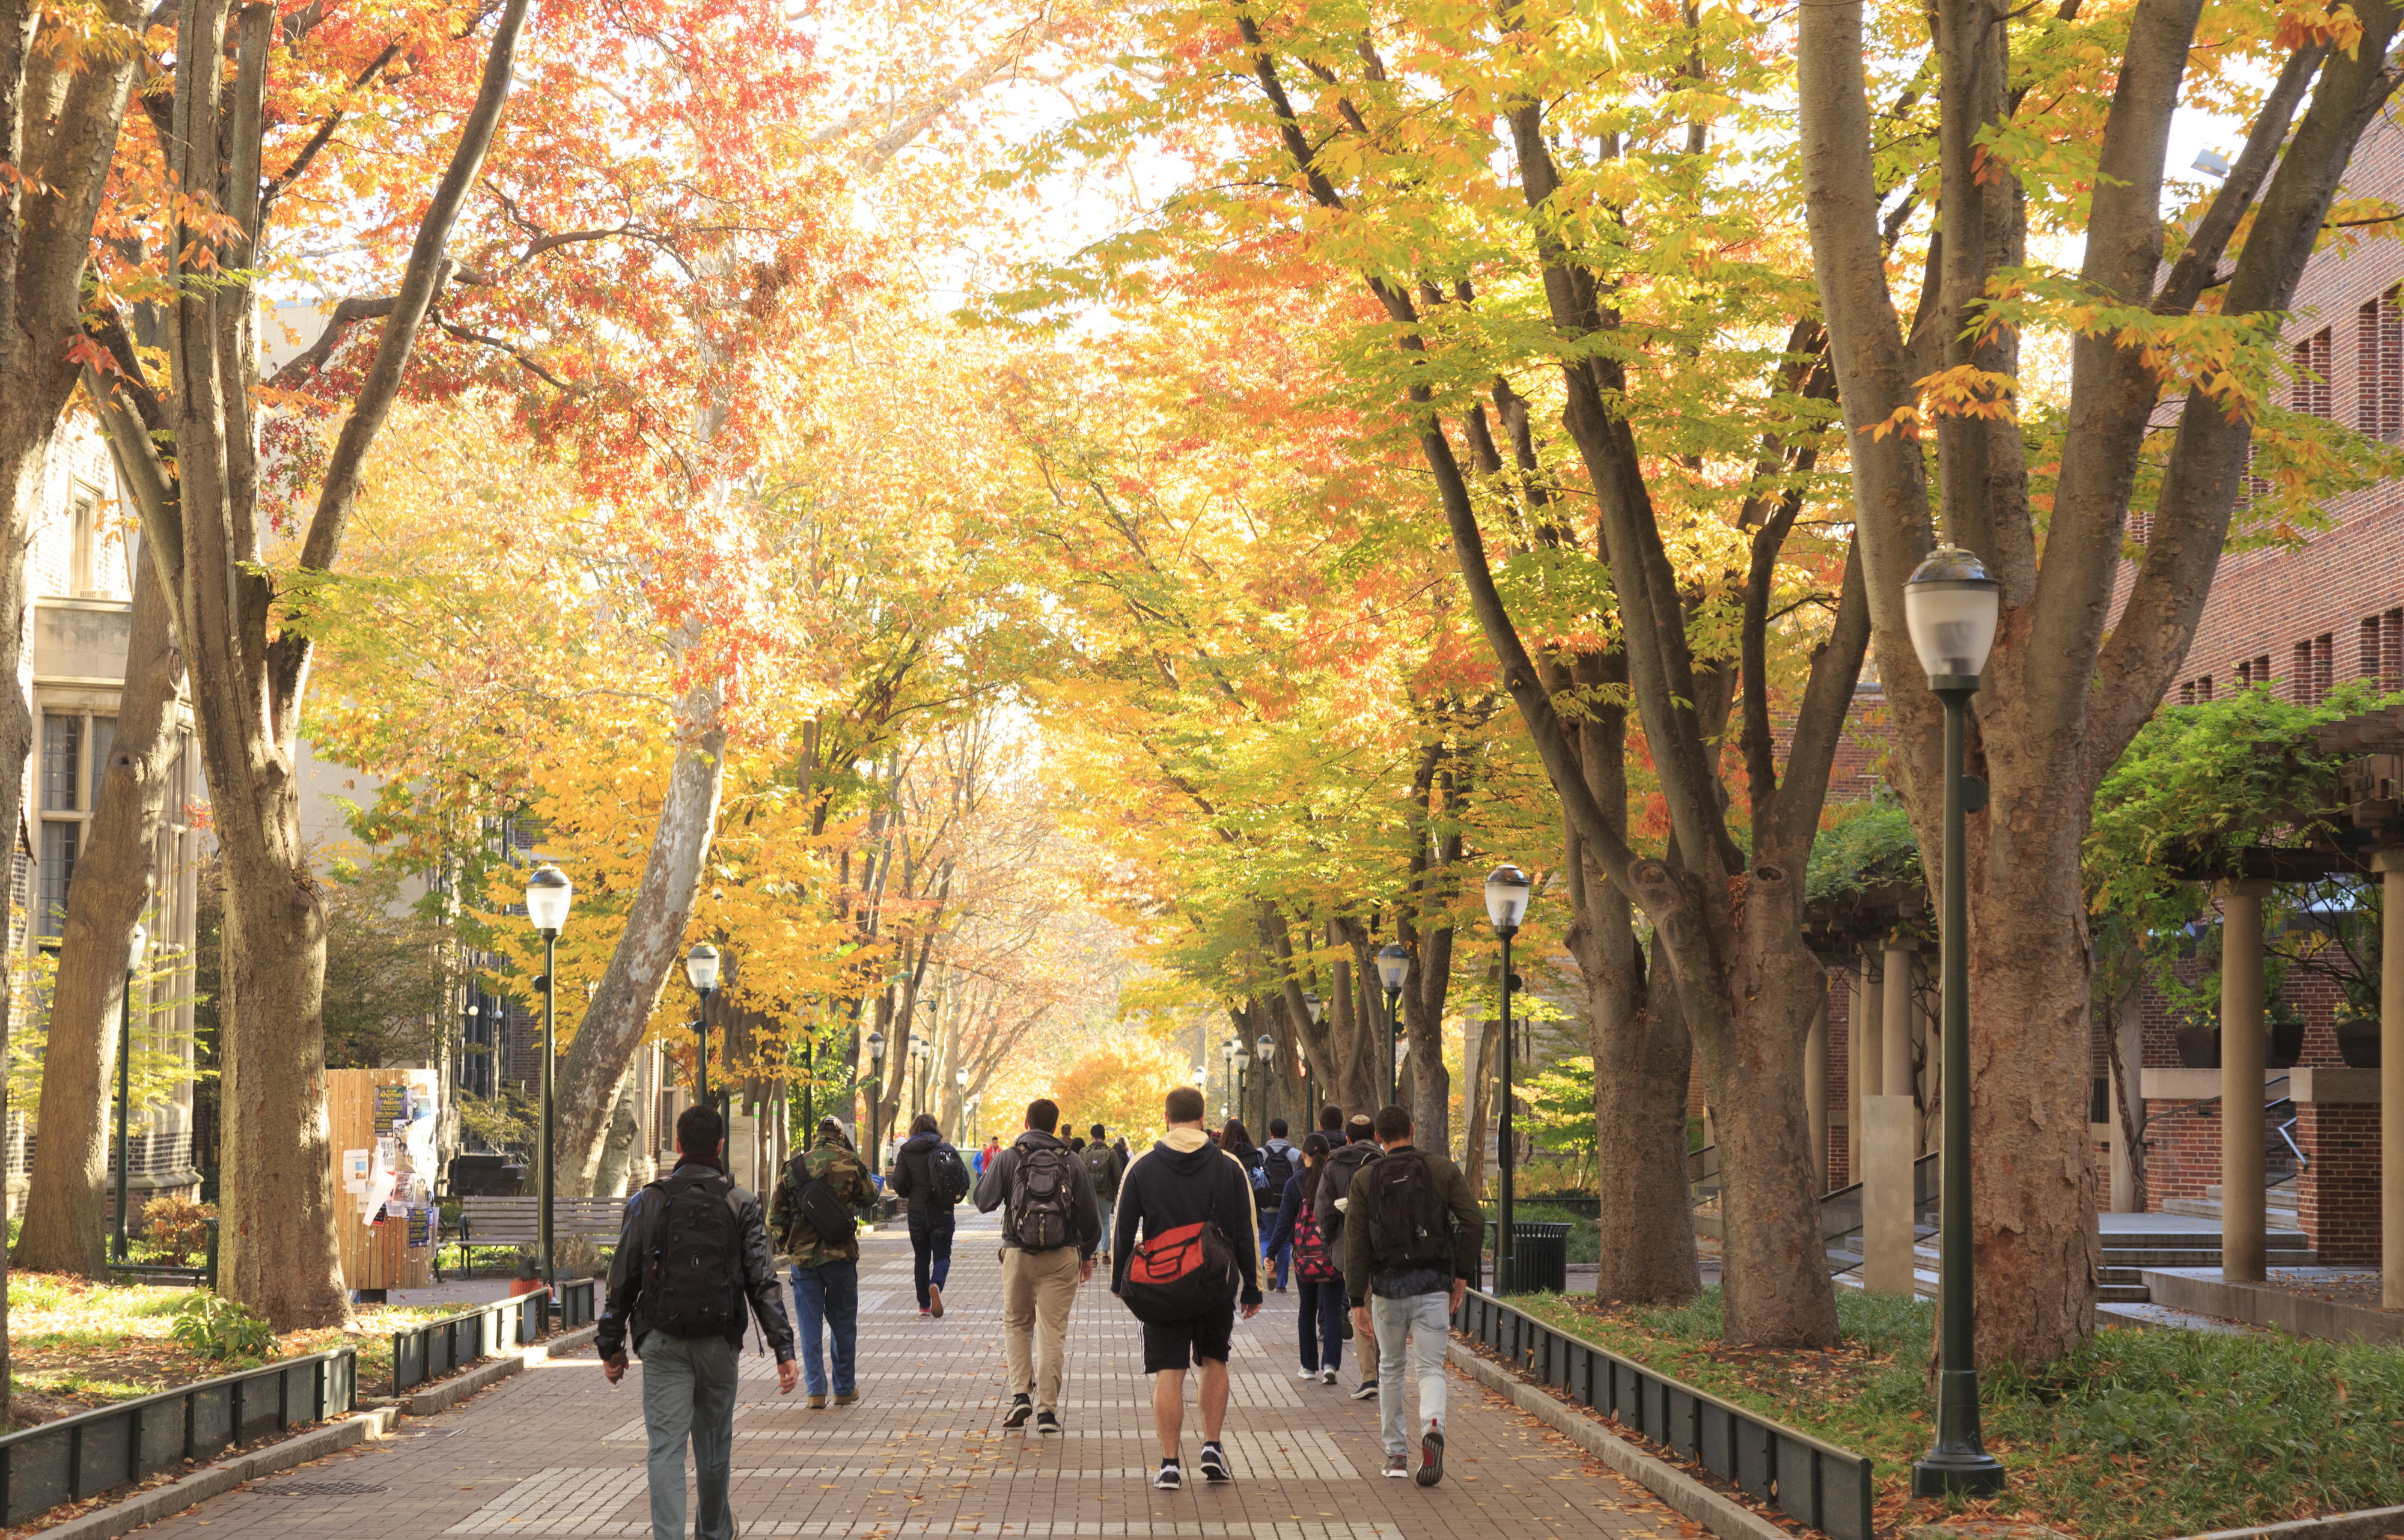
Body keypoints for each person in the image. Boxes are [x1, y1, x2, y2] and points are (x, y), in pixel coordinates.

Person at [598, 1104, 799, 1540]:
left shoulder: (648, 1200)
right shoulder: (741, 1202)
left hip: (663, 1340)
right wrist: (783, 1348)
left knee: (666, 1448)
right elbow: (762, 1280)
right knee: (713, 1449)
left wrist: (610, 1345)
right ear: (721, 1147)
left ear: (678, 1144)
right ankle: (713, 1533)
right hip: (719, 1342)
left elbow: (622, 1277)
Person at [1113, 1085, 1263, 1490]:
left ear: (1167, 1118)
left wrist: (1119, 1284)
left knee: (1170, 1370)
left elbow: (1123, 1230)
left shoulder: (1142, 1166)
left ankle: (1168, 1463)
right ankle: (1212, 1446)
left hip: (1163, 1285)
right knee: (1215, 1360)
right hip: (1214, 1282)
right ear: (1202, 1119)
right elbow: (1246, 1230)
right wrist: (1252, 1286)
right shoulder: (1228, 1166)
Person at [1343, 1105, 1480, 1487]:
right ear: (1414, 1129)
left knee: (1390, 1368)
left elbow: (1356, 1242)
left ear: (1380, 1139)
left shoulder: (1365, 1178)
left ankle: (1397, 1455)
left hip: (1388, 1288)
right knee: (1431, 1368)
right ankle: (1433, 1425)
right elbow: (1474, 1221)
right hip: (1434, 1285)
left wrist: (1358, 1299)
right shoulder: (1440, 1169)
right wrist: (1461, 1276)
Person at [974, 1097, 1103, 1434]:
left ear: (1026, 1121)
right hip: (1062, 1259)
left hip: (1017, 1254)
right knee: (1052, 1333)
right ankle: (1047, 1412)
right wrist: (1086, 1255)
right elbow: (1091, 1219)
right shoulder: (1071, 1160)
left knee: (1017, 1324)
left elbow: (983, 1201)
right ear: (1055, 1125)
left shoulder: (1009, 1157)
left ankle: (1020, 1396)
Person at [770, 1115, 877, 1408]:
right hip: (842, 1257)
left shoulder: (794, 1166)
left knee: (808, 1324)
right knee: (843, 1323)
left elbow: (774, 1218)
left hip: (804, 1262)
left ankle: (816, 1391)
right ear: (841, 1136)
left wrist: (788, 1246)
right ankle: (844, 1389)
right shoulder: (851, 1162)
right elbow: (871, 1197)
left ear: (816, 1135)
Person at [1263, 1132, 1344, 1383]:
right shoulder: (1337, 1180)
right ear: (1329, 1154)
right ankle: (1330, 1364)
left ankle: (1309, 1367)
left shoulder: (1294, 1183)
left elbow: (1284, 1223)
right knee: (1333, 1309)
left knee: (1307, 1310)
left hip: (1305, 1258)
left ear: (1304, 1155)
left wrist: (1272, 1253)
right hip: (1333, 1255)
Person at [1315, 1112, 1382, 1399]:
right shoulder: (1385, 1160)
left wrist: (1331, 1242)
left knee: (1361, 1307)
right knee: (1384, 1309)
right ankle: (1384, 1371)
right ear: (1376, 1136)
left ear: (1349, 1137)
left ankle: (1370, 1377)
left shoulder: (1335, 1165)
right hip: (1385, 1248)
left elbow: (1324, 1210)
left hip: (1349, 1248)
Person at [892, 1112, 960, 1318]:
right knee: (942, 1256)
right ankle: (936, 1284)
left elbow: (897, 1183)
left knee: (921, 1257)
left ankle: (924, 1305)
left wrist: (910, 1195)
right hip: (942, 1210)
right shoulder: (945, 1149)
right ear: (936, 1129)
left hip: (916, 1212)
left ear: (915, 1129)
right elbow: (960, 1178)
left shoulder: (906, 1151)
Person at [1256, 1118, 1297, 1291]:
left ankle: (1269, 1262)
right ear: (1287, 1134)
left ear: (1270, 1133)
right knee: (1285, 1244)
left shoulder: (1261, 1153)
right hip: (1287, 1205)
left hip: (1266, 1203)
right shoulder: (1295, 1154)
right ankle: (1281, 1285)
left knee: (1265, 1238)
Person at [1079, 1123, 1123, 1265]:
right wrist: (1119, 1194)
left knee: (1092, 1224)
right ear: (1104, 1137)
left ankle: (1093, 1256)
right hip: (1106, 1194)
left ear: (1091, 1137)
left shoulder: (1083, 1152)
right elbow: (1118, 1176)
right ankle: (1105, 1255)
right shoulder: (1111, 1153)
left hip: (1088, 1194)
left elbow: (1079, 1175)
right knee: (1105, 1223)